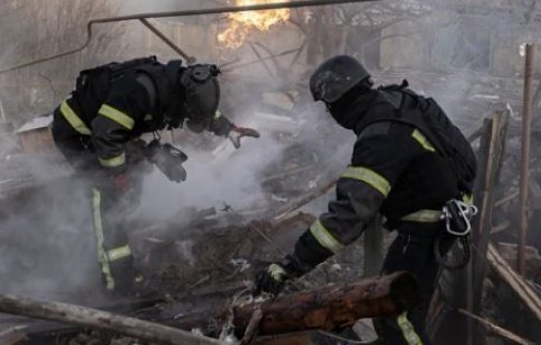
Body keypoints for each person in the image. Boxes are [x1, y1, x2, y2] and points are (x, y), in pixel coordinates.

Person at [253, 55, 477, 345]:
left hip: (427, 225)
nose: (330, 114)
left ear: (339, 102)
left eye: (328, 107)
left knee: (396, 314)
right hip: (451, 212)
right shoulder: (401, 100)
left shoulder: (380, 136)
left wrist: (289, 266)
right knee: (402, 307)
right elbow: (462, 154)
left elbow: (350, 215)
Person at [51, 56, 259, 294]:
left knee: (131, 182)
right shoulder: (139, 91)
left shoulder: (177, 87)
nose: (188, 119)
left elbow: (201, 110)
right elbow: (105, 133)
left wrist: (229, 129)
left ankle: (117, 235)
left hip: (110, 131)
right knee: (107, 195)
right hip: (79, 131)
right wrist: (118, 175)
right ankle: (118, 281)